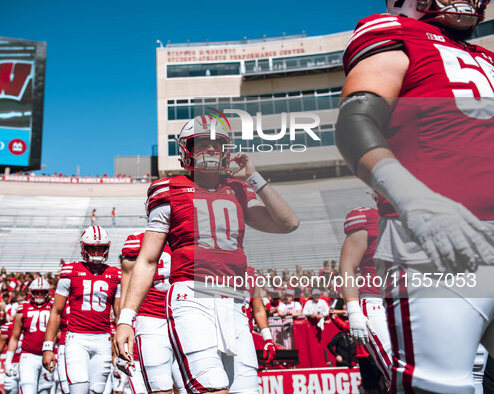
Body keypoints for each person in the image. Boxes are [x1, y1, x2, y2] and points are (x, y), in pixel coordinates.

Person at [336, 1, 494, 391]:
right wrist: (413, 197)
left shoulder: (486, 56)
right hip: (442, 241)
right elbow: (356, 120)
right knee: (443, 387)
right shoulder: (398, 31)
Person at [114, 116, 299, 393]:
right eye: (202, 143)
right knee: (212, 388)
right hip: (191, 296)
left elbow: (288, 223)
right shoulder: (168, 189)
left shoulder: (238, 189)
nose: (211, 150)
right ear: (186, 149)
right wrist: (126, 319)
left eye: (217, 144)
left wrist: (253, 176)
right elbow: (148, 259)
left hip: (235, 301)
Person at [43, 225, 121, 394]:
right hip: (77, 338)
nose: (96, 252)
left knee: (98, 390)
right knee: (79, 389)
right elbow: (56, 312)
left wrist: (122, 345)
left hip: (103, 340)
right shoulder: (70, 271)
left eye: (100, 248)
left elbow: (119, 314)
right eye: (92, 247)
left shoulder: (115, 274)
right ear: (84, 247)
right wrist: (48, 347)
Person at [120, 231, 185, 394]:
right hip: (151, 319)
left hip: (184, 317)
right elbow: (126, 292)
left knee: (190, 386)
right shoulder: (137, 241)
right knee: (160, 387)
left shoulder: (188, 235)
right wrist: (124, 324)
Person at [339, 206, 392, 382]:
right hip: (378, 302)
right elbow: (347, 268)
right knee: (399, 372)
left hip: (415, 302)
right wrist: (353, 310)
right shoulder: (368, 218)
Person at [6, 278, 54, 394]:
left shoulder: (53, 307)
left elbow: (58, 333)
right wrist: (8, 360)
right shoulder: (23, 308)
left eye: (42, 292)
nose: (39, 295)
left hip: (46, 355)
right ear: (30, 292)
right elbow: (15, 337)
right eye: (36, 292)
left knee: (45, 391)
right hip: (28, 356)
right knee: (27, 388)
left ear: (48, 292)